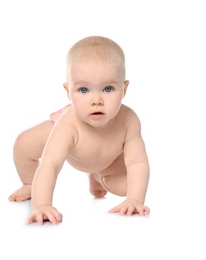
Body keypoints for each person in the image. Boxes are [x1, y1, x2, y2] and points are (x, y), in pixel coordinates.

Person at [9, 36, 150, 225]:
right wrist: (41, 204)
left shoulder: (129, 120)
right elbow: (50, 165)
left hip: (105, 160)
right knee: (23, 144)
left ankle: (99, 177)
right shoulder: (67, 125)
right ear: (68, 91)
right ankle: (28, 183)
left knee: (129, 186)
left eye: (108, 89)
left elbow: (137, 163)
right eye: (84, 90)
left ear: (124, 89)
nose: (96, 100)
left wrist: (135, 199)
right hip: (69, 138)